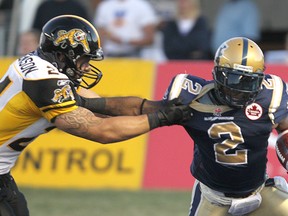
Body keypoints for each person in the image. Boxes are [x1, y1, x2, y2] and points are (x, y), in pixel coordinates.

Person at [0, 15, 193, 216]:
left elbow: (103, 105)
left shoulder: (43, 66)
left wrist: (160, 106)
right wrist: (162, 118)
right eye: (83, 59)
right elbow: (101, 130)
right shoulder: (43, 81)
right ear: (61, 56)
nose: (87, 67)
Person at [92, 37, 288, 215]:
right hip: (214, 199)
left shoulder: (270, 96)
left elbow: (285, 128)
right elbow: (139, 108)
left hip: (260, 191)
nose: (239, 90)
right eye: (234, 79)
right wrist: (90, 105)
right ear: (217, 74)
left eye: (248, 82)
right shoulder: (193, 97)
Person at [93, 0, 158, 58]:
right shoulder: (104, 6)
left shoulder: (142, 5)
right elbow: (100, 34)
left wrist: (124, 40)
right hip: (110, 56)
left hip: (135, 56)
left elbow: (150, 39)